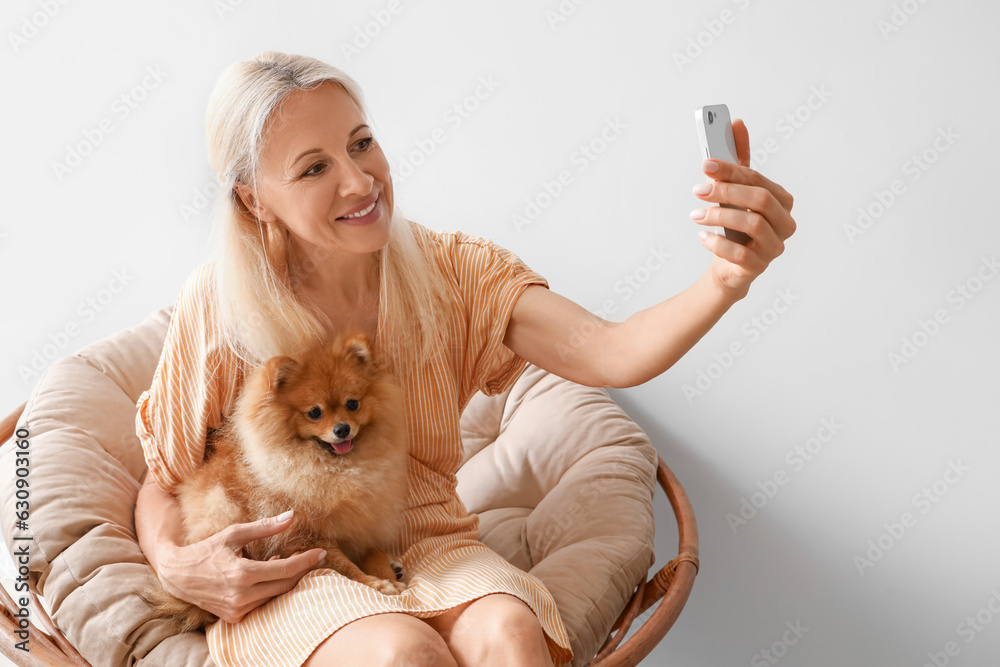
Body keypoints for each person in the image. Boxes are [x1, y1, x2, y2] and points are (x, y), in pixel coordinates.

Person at [133, 51, 795, 667]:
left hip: (433, 544)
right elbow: (162, 477)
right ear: (254, 199)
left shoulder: (452, 271)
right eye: (314, 167)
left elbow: (608, 351)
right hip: (298, 567)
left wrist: (724, 281)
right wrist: (174, 560)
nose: (361, 181)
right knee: (403, 651)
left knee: (511, 633)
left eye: (361, 143)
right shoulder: (222, 308)